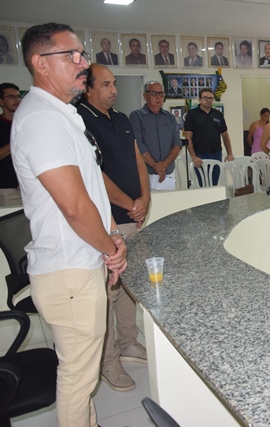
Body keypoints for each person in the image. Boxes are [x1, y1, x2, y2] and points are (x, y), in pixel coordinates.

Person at [12, 22, 127, 426]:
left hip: (80, 261)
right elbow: (75, 207)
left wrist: (113, 236)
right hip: (69, 270)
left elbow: (91, 190)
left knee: (81, 374)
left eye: (83, 54)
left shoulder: (62, 115)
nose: (83, 63)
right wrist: (112, 250)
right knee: (78, 380)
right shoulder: (41, 119)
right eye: (72, 55)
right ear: (40, 63)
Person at [75, 64, 149, 392]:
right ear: (88, 88)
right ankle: (107, 360)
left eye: (114, 83)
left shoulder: (121, 118)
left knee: (127, 286)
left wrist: (145, 198)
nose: (114, 90)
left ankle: (128, 342)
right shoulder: (80, 119)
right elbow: (93, 174)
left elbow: (137, 160)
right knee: (108, 290)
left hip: (132, 216)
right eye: (106, 84)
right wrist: (131, 203)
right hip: (106, 222)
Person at [129, 81, 182, 191]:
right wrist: (156, 166)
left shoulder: (170, 118)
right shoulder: (136, 116)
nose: (158, 97)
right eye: (154, 93)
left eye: (161, 94)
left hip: (168, 173)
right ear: (145, 96)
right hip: (146, 172)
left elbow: (177, 143)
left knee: (171, 201)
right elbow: (138, 144)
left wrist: (164, 165)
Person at [185, 88, 234, 185]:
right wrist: (194, 157)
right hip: (200, 155)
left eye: (211, 98)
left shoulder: (218, 114)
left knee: (214, 184)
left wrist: (230, 153)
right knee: (203, 184)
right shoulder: (192, 114)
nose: (208, 100)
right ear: (199, 99)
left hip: (216, 154)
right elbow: (188, 137)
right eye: (205, 98)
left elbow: (225, 134)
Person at [0, 83, 20, 188]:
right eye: (11, 97)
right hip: (6, 187)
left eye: (18, 96)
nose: (17, 100)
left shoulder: (24, 123)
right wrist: (17, 141)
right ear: (1, 101)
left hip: (26, 185)